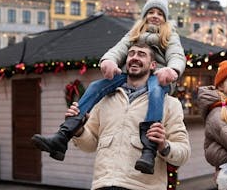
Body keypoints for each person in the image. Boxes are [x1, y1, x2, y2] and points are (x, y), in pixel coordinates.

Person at [31, 0, 186, 174]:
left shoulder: (170, 36)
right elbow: (118, 49)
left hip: (159, 77)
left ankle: (149, 149)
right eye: (151, 12)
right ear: (144, 16)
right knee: (97, 86)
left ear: (165, 19)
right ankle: (63, 135)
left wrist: (172, 70)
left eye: (160, 13)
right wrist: (109, 61)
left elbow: (176, 55)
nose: (155, 16)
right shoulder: (134, 34)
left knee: (156, 92)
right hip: (130, 75)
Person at [66, 42, 190, 189]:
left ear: (153, 65)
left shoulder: (169, 104)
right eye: (131, 53)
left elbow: (183, 153)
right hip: (104, 184)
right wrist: (79, 131)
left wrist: (164, 145)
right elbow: (90, 145)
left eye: (141, 54)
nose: (135, 57)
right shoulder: (105, 99)